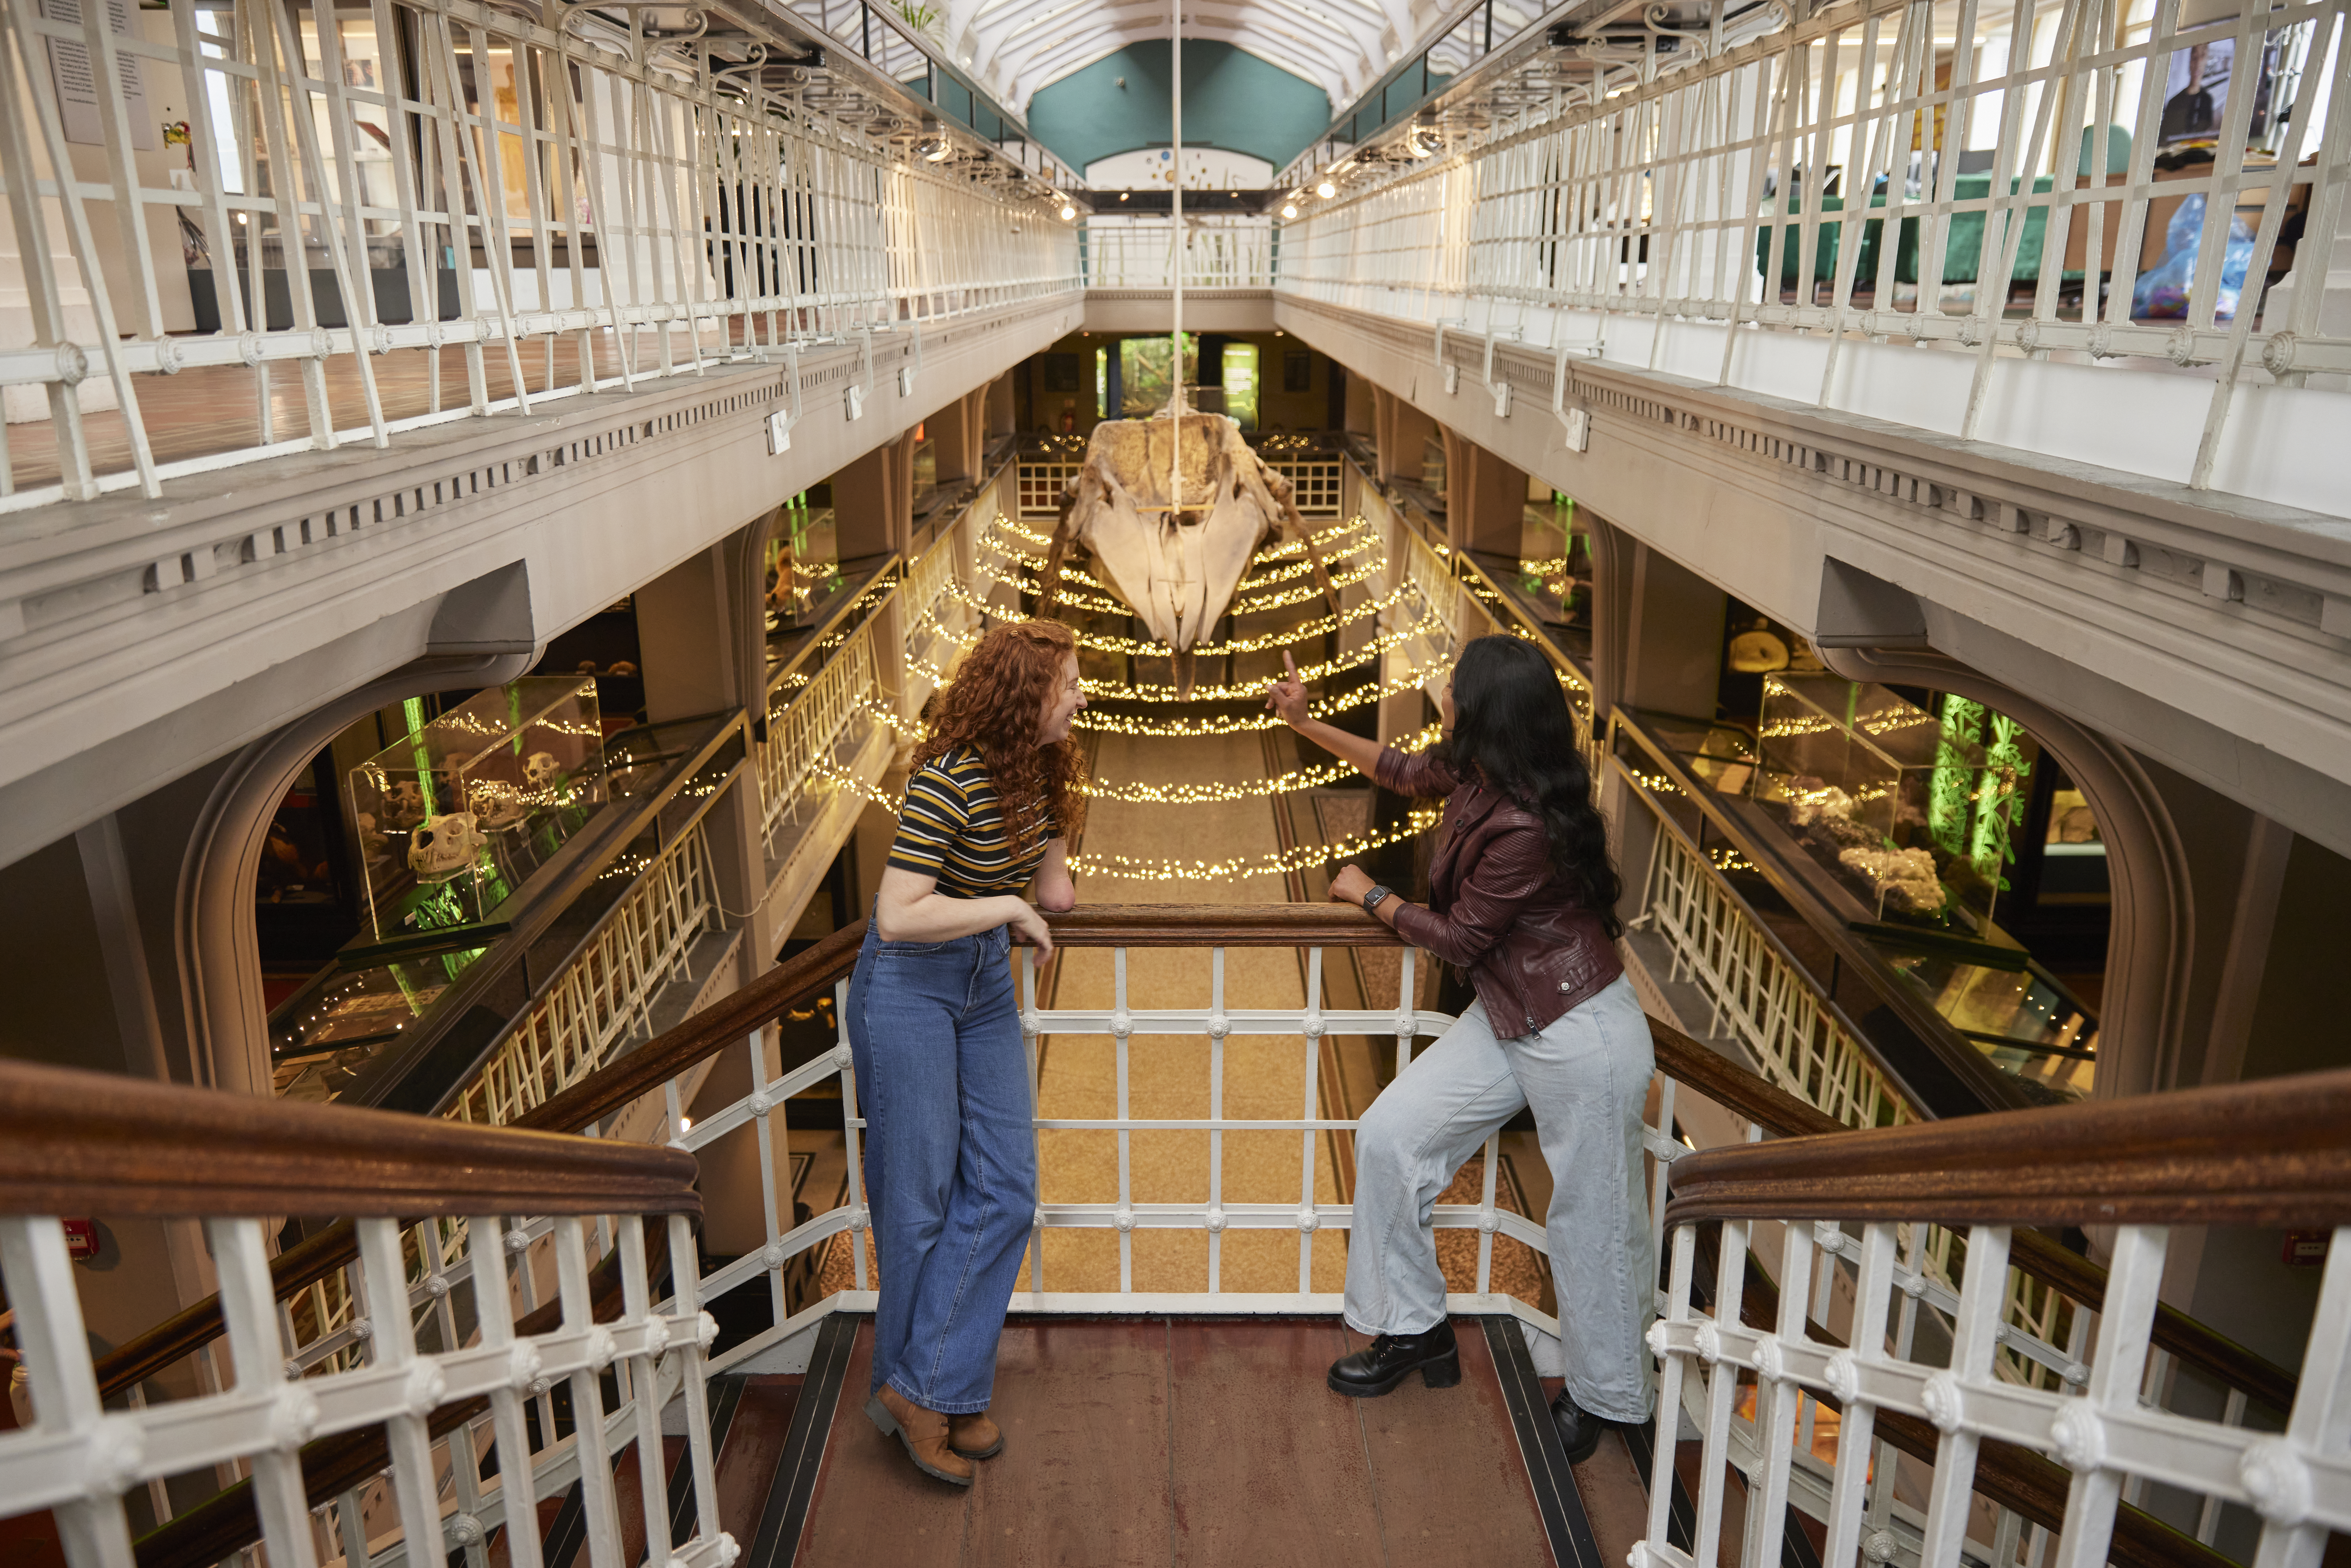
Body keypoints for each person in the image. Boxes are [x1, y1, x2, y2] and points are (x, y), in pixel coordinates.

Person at [1264, 635, 1652, 1463]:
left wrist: (1368, 891)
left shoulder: (1525, 823)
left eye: (1455, 682)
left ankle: (1606, 1395)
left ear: (1484, 710)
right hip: (1511, 1011)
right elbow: (1401, 770)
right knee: (1390, 1136)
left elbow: (1459, 936)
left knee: (1593, 1218)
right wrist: (1306, 724)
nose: (1442, 687)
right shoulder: (1486, 772)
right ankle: (1414, 1328)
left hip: (1580, 1030)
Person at [847, 618, 1087, 1485]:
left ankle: (924, 1384)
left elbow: (1053, 888)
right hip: (907, 983)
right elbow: (899, 913)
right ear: (1026, 699)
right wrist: (1006, 908)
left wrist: (1047, 868)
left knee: (1007, 1187)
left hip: (981, 983)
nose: (1081, 695)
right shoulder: (948, 780)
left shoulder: (1048, 771)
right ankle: (926, 1394)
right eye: (1067, 685)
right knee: (916, 1204)